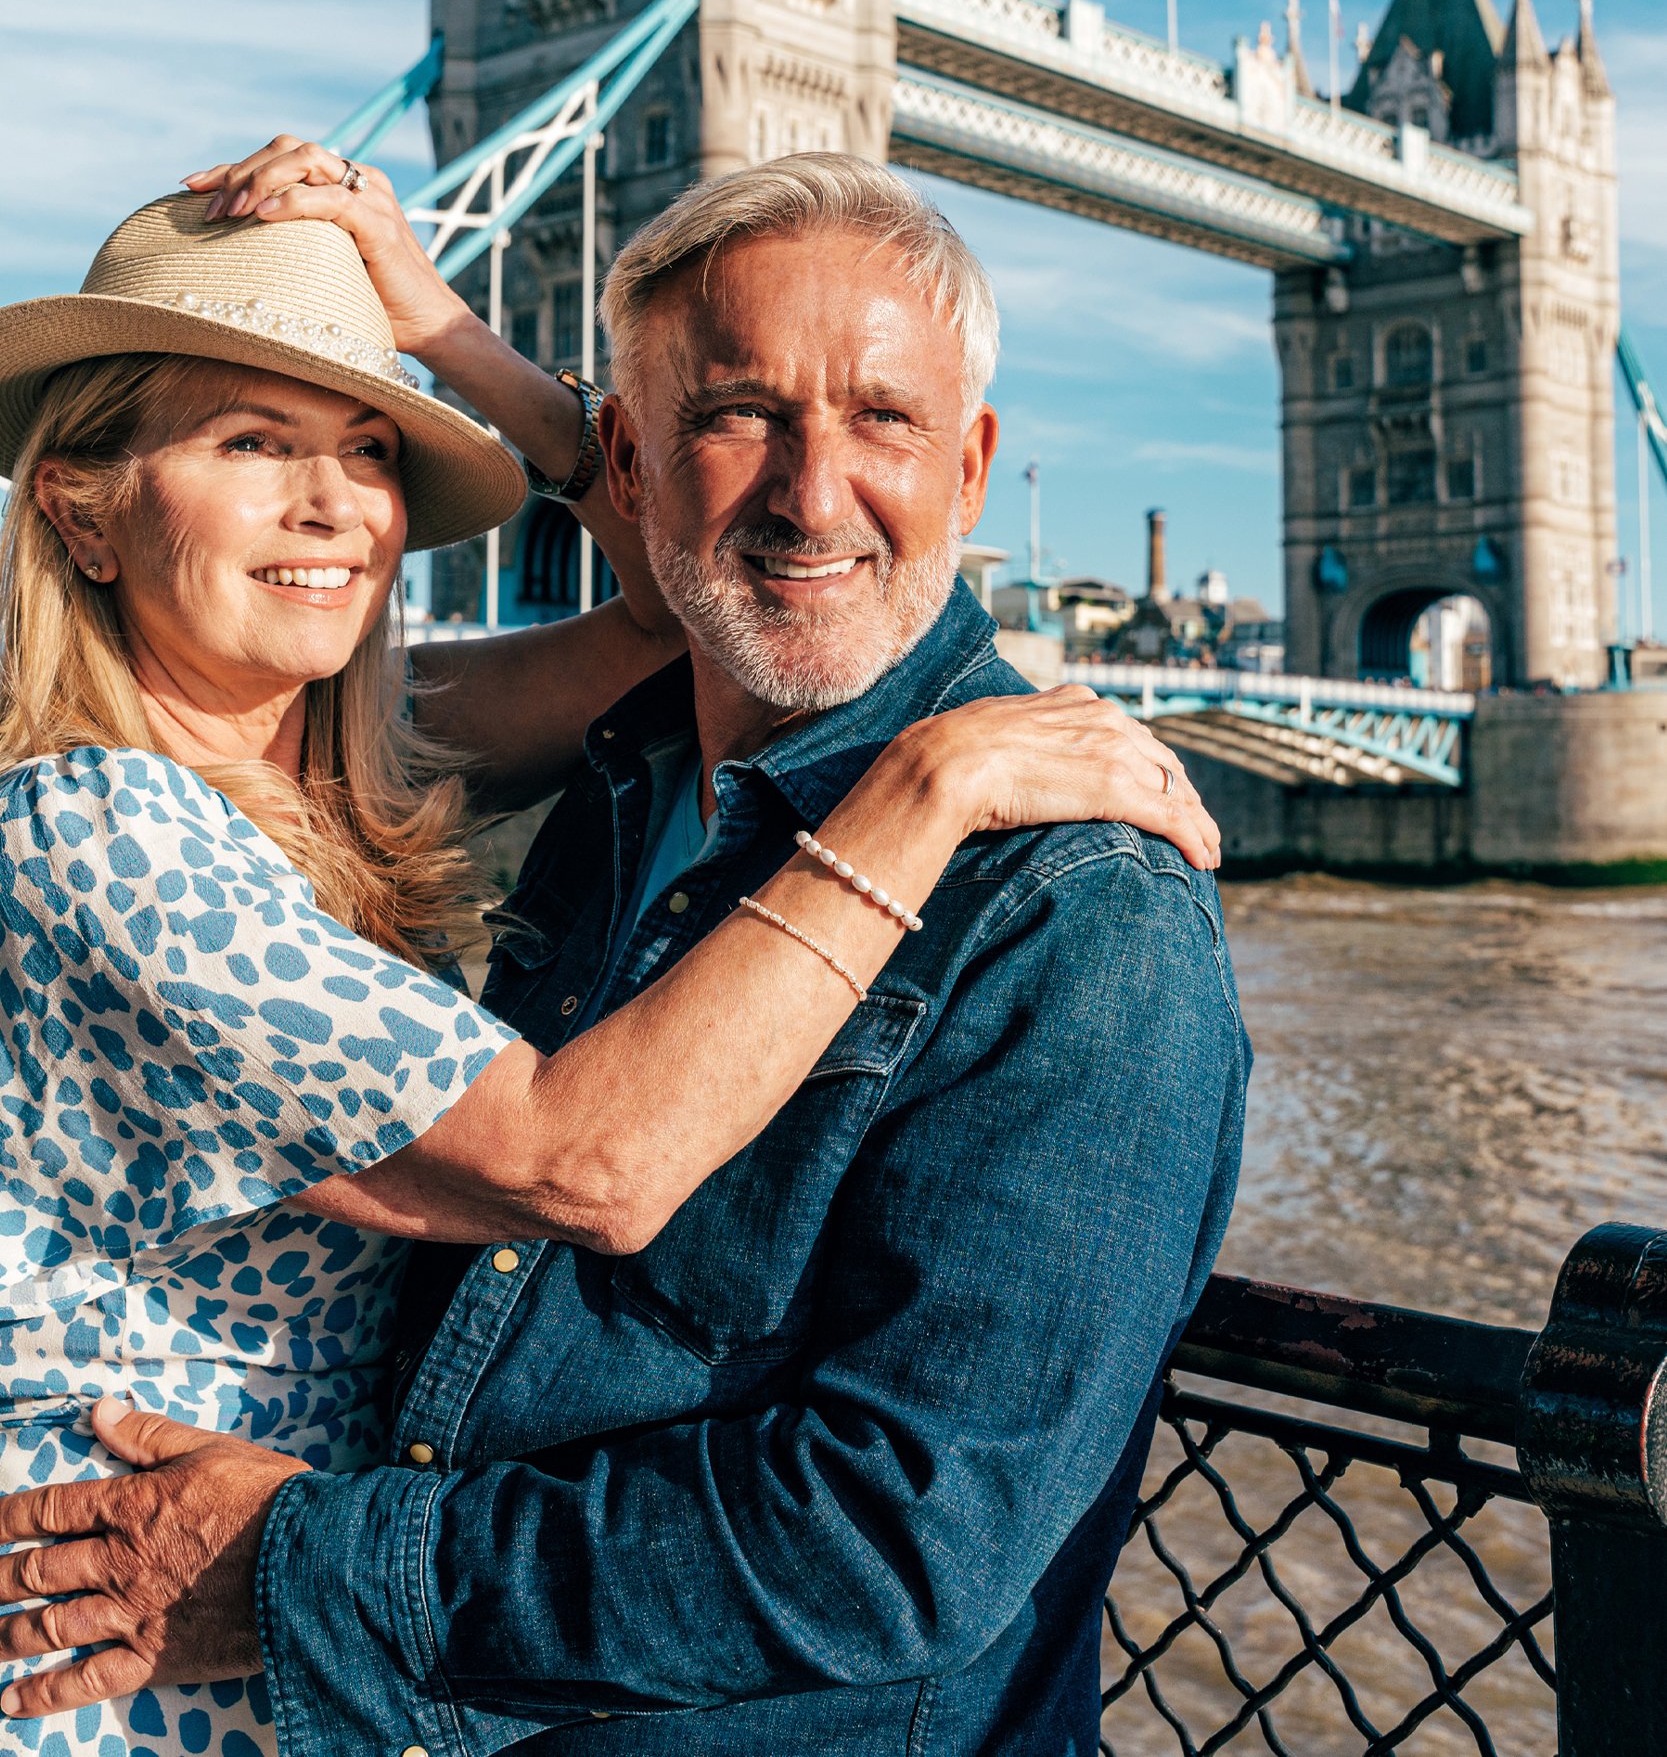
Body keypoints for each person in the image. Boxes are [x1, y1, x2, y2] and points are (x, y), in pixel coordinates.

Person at [0, 169, 1217, 1755]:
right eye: (249, 444)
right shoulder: (102, 830)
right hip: (114, 1648)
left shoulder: (362, 767)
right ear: (81, 505)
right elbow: (582, 1160)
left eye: (371, 452)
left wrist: (446, 329)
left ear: (974, 466)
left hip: (284, 1653)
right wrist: (925, 786)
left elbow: (685, 601)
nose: (335, 508)